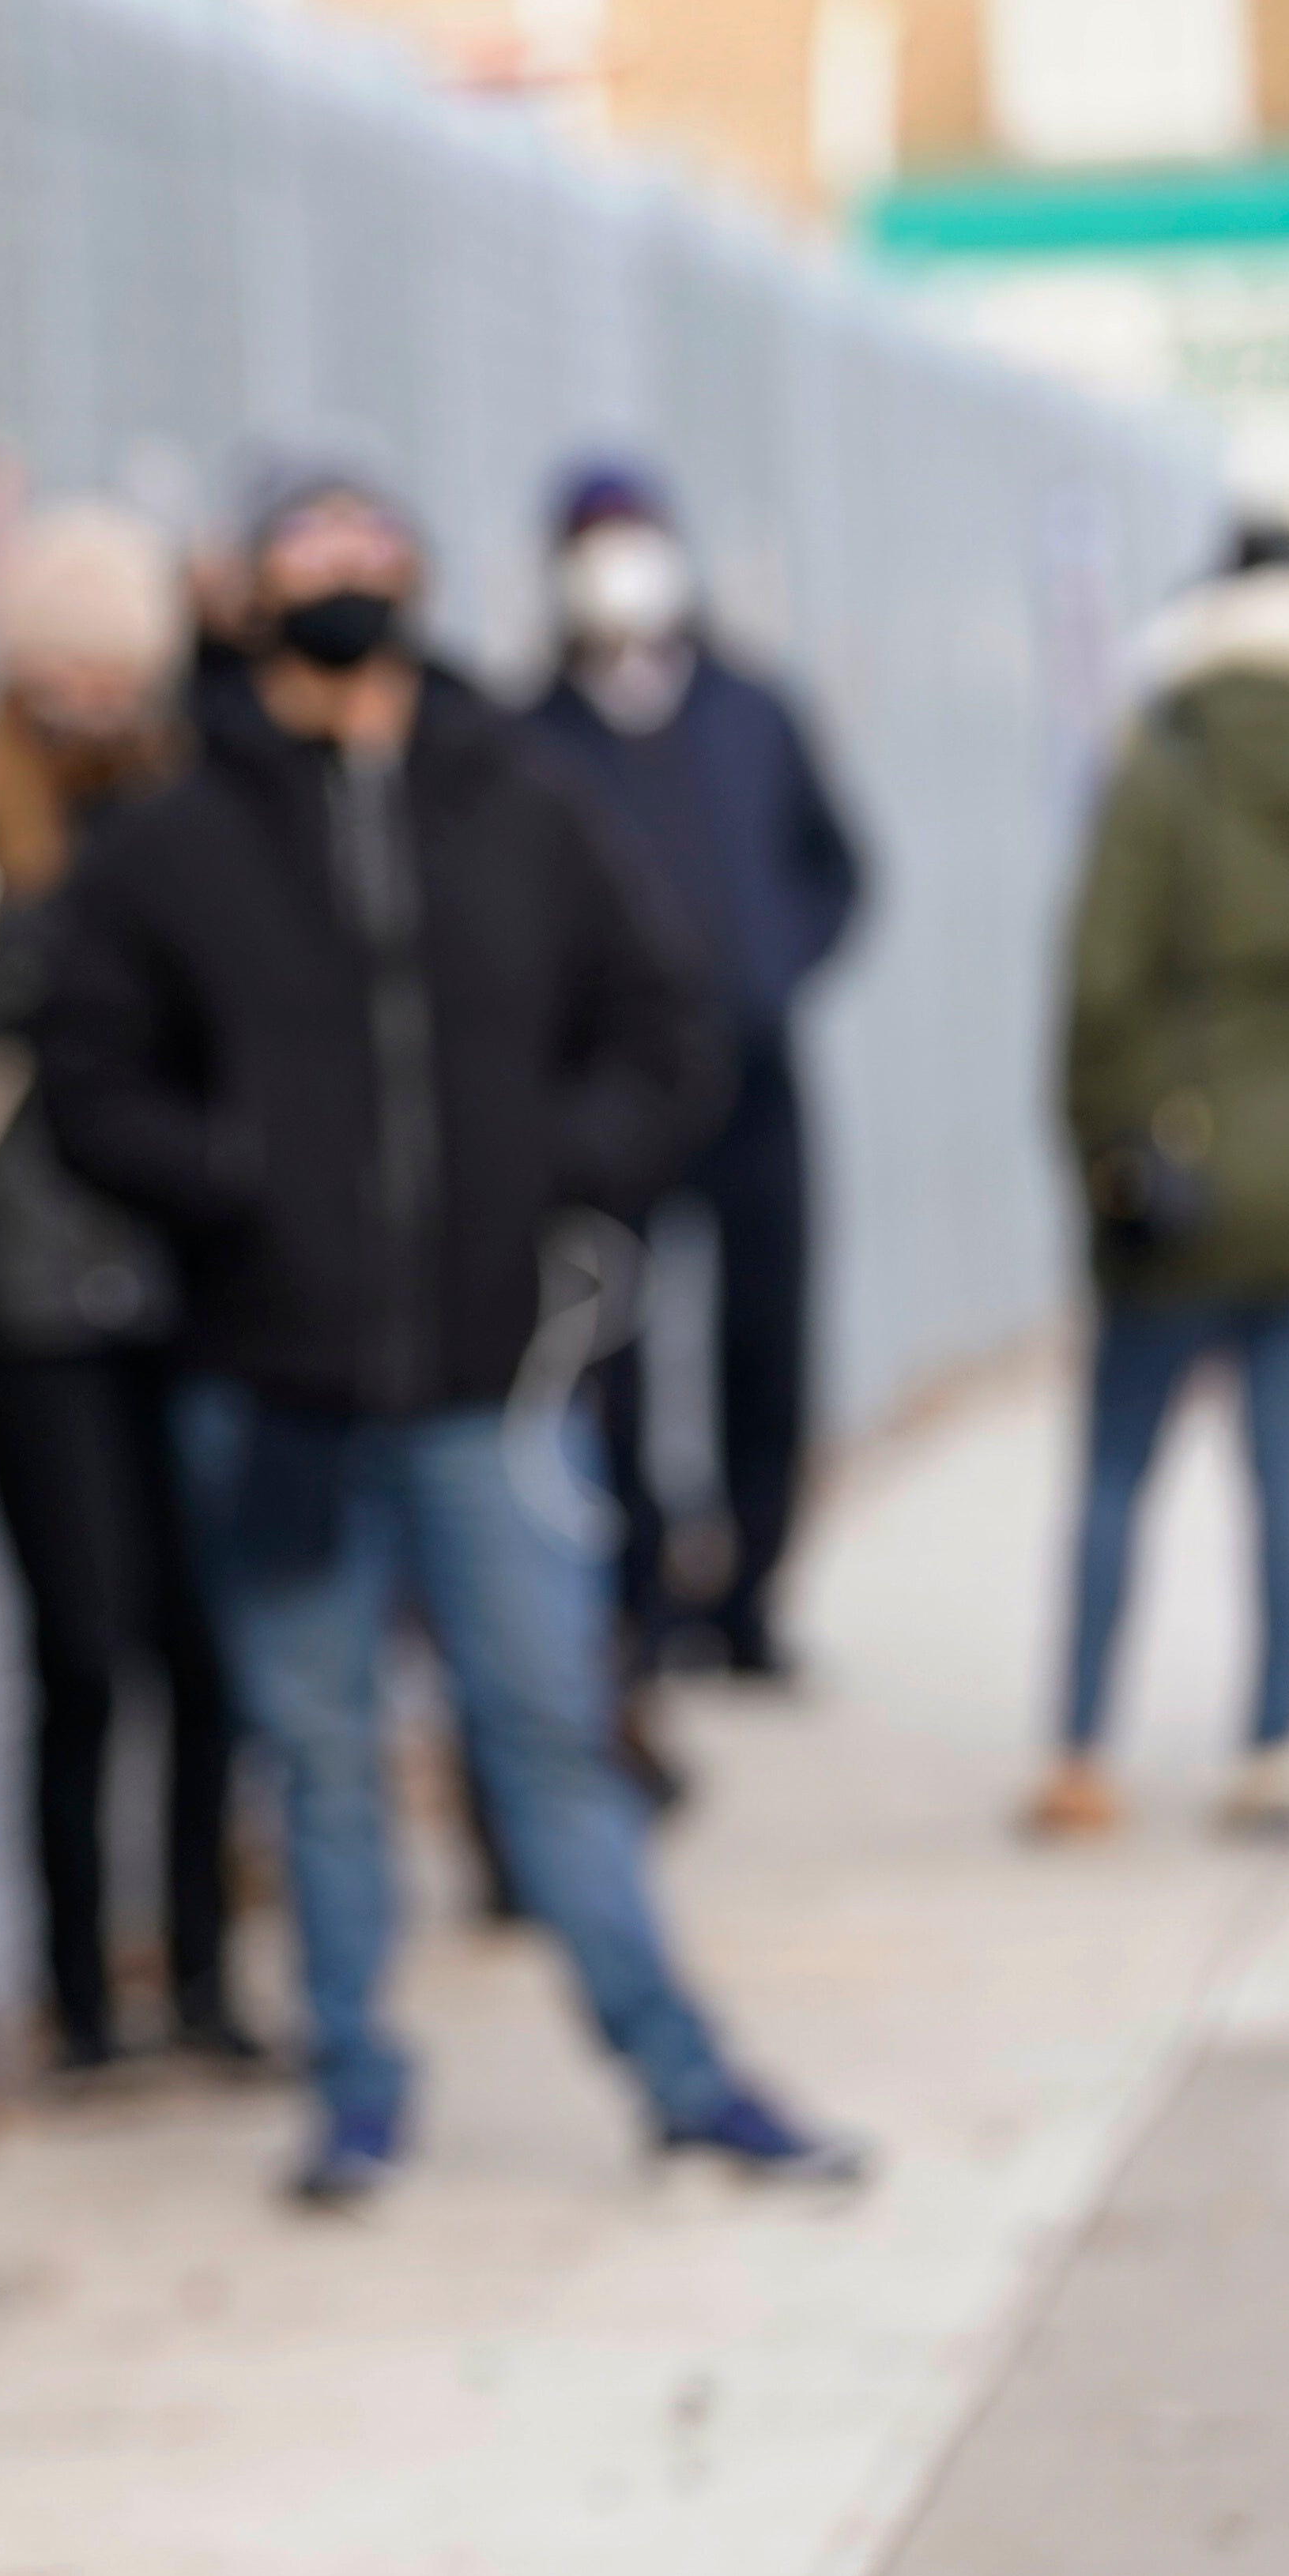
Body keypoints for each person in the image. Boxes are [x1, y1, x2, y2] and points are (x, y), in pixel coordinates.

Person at [38, 469, 861, 2207]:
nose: (344, 584)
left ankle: (682, 2073)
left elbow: (662, 1028)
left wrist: (558, 1180)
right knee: (320, 1757)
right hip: (270, 1384)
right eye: (307, 556)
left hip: (493, 1376)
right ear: (248, 591)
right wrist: (235, 1179)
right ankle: (353, 2088)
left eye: (371, 553)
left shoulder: (523, 809)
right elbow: (90, 1081)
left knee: (547, 1728)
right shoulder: (178, 842)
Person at [0, 499, 256, 2071]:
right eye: (64, 668)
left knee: (205, 1646)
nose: (90, 700)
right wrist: (36, 950)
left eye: (117, 670)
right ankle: (84, 1999)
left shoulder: (192, 807)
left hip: (189, 1275)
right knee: (80, 1649)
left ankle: (212, 1978)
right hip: (24, 1281)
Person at [1033, 536, 1289, 1842]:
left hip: (1182, 1165)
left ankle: (1078, 1747)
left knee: (1116, 1465)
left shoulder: (1165, 765)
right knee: (1285, 1463)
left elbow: (1095, 981)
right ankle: (1277, 1743)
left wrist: (1099, 1143)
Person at [518, 462, 866, 1686]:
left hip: (754, 1072)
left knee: (766, 1340)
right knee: (611, 1342)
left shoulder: (751, 707)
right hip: (615, 1088)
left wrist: (775, 965)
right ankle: (640, 1592)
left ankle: (752, 1590)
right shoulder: (537, 734)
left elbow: (837, 867)